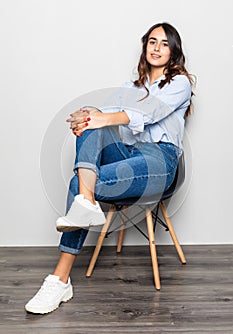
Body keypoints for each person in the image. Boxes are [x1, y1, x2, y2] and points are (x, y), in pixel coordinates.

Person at [25, 22, 194, 314]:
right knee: (93, 118)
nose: (156, 48)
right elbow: (104, 117)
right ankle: (81, 220)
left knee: (79, 183)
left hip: (159, 161)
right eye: (152, 41)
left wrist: (105, 117)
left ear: (173, 51)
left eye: (164, 43)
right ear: (145, 47)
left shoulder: (180, 83)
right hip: (125, 156)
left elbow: (150, 113)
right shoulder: (130, 88)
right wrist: (89, 116)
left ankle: (61, 275)